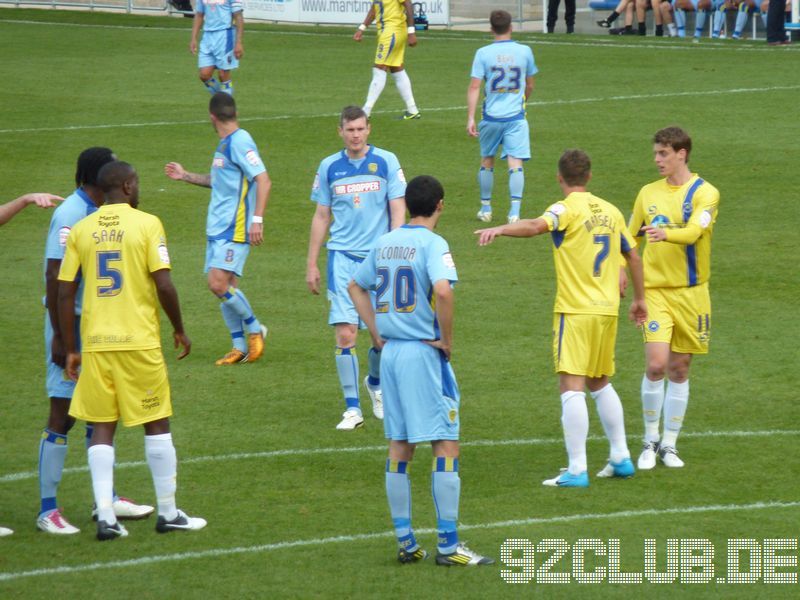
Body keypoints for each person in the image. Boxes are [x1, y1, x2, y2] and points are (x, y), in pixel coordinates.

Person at [476, 149, 647, 488]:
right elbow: (634, 256)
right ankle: (621, 457)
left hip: (576, 309)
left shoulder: (564, 208)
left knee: (571, 385)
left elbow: (535, 226)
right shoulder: (611, 211)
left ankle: (576, 469)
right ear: (590, 176)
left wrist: (500, 228)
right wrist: (640, 299)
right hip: (607, 310)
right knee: (599, 380)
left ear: (559, 177)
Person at [349, 175, 493, 566]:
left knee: (400, 445)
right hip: (421, 355)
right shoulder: (433, 243)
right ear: (440, 205)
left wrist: (377, 334)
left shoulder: (385, 241)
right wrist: (446, 340)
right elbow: (443, 291)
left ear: (409, 204)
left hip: (392, 354)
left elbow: (355, 286)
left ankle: (406, 541)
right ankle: (448, 546)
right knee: (446, 442)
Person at [58, 161, 206, 541]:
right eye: (136, 183)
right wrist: (179, 328)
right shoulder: (147, 224)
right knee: (156, 422)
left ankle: (106, 518)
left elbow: (64, 291)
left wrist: (71, 348)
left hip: (96, 344)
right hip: (138, 342)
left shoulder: (82, 230)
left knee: (103, 427)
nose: (138, 189)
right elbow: (165, 284)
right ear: (126, 186)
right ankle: (169, 512)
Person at [38, 147, 153, 536]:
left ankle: (106, 499)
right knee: (63, 414)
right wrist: (59, 338)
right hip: (67, 327)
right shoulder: (71, 214)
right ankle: (47, 509)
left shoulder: (98, 211)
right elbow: (56, 279)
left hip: (92, 327)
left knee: (102, 412)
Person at [307, 105, 406, 430]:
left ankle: (374, 384)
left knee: (383, 338)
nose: (355, 135)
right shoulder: (329, 167)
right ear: (341, 131)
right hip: (343, 260)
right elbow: (322, 216)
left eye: (360, 129)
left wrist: (394, 251)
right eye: (350, 130)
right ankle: (352, 409)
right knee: (346, 333)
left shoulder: (387, 162)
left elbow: (397, 210)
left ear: (369, 129)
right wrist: (312, 263)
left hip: (379, 262)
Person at [629, 127, 719, 470]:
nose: (657, 160)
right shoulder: (647, 193)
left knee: (679, 369)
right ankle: (649, 440)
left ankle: (670, 444)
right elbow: (630, 236)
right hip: (655, 293)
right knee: (655, 365)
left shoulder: (705, 193)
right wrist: (624, 272)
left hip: (693, 295)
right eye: (655, 153)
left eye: (663, 154)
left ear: (682, 154)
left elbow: (696, 231)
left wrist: (666, 234)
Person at [165, 92, 269, 365]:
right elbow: (219, 181)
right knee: (229, 288)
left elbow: (263, 179)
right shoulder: (225, 144)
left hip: (234, 228)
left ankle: (256, 328)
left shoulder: (240, 141)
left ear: (212, 117)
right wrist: (185, 175)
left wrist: (257, 220)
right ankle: (238, 346)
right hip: (217, 228)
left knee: (217, 283)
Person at [467, 10, 537, 225]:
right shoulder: (525, 51)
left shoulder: (483, 53)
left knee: (487, 159)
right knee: (515, 163)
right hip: (515, 117)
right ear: (511, 27)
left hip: (491, 117)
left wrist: (470, 117)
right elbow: (530, 84)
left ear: (491, 29)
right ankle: (514, 213)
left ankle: (486, 208)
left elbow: (475, 86)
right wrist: (522, 99)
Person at [353, 0, 420, 120]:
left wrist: (411, 32)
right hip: (387, 31)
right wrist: (362, 28)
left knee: (379, 68)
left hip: (393, 31)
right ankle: (412, 110)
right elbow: (375, 8)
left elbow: (408, 4)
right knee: (396, 68)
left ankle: (366, 111)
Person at [191, 0, 244, 95]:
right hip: (207, 36)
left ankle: (226, 105)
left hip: (225, 35)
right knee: (204, 75)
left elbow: (238, 16)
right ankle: (222, 100)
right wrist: (194, 38)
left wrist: (238, 42)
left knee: (223, 74)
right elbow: (199, 14)